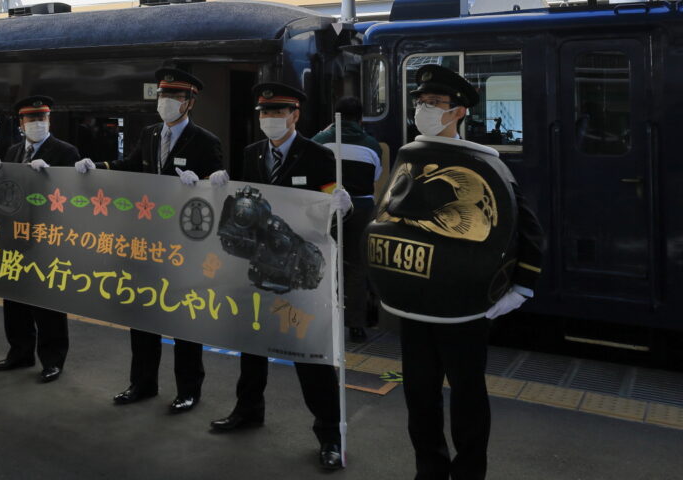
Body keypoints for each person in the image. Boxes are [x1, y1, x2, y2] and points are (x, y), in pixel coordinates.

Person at [369, 65, 543, 480]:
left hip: (462, 302)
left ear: (458, 112)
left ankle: (468, 473)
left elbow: (526, 227)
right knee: (419, 394)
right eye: (421, 102)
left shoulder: (481, 165)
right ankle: (429, 470)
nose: (424, 109)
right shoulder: (412, 155)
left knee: (467, 395)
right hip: (414, 302)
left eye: (435, 103)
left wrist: (522, 285)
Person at [207, 83, 351, 471]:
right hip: (258, 269)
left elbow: (333, 196)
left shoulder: (318, 156)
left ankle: (329, 436)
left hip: (303, 276)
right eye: (264, 113)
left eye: (277, 112)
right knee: (252, 345)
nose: (269, 119)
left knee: (311, 355)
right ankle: (248, 409)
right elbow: (239, 207)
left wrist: (341, 201)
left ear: (295, 116)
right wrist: (221, 186)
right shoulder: (251, 154)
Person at [76, 67, 222, 414]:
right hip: (146, 242)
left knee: (184, 319)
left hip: (184, 246)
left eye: (173, 96)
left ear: (189, 102)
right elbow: (130, 165)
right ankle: (142, 383)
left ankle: (188, 390)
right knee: (142, 315)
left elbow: (217, 189)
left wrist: (203, 182)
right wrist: (96, 166)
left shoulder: (206, 141)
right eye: (161, 95)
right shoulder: (150, 134)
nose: (165, 102)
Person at [0, 95, 80, 383]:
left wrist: (51, 177)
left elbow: (76, 195)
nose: (37, 123)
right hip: (16, 236)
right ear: (21, 123)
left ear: (49, 120)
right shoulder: (14, 152)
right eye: (31, 119)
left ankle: (53, 359)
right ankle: (20, 352)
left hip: (48, 238)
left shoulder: (66, 151)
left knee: (47, 301)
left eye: (42, 118)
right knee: (15, 299)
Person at [313, 96, 383, 341]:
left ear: (335, 115)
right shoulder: (372, 144)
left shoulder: (319, 141)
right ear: (360, 118)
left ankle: (323, 320)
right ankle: (356, 325)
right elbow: (375, 176)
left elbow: (311, 173)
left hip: (328, 206)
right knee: (356, 266)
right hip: (362, 208)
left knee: (325, 262)